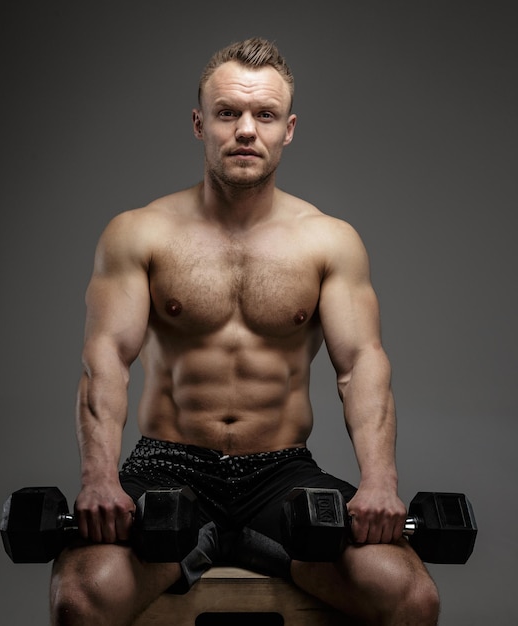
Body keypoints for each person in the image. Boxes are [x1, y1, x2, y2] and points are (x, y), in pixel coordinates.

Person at [50, 38, 440, 625]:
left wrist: (379, 482)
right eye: (228, 112)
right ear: (199, 122)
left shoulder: (328, 240)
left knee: (411, 597)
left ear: (289, 128)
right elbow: (105, 358)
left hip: (280, 471)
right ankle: (199, 540)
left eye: (265, 115)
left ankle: (257, 543)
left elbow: (361, 365)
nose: (246, 130)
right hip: (168, 466)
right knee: (80, 598)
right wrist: (100, 478)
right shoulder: (139, 233)